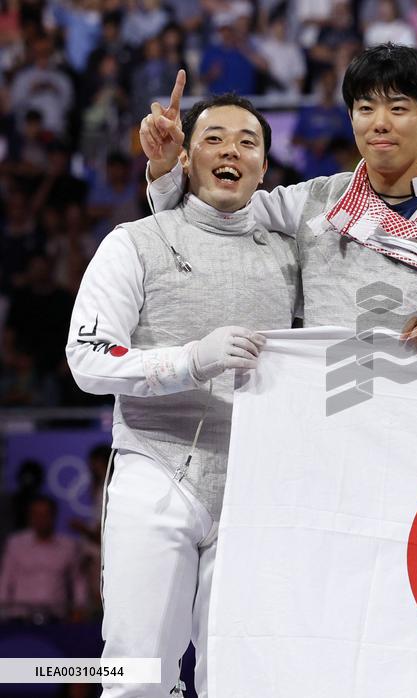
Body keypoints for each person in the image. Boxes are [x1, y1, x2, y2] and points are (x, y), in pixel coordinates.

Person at [67, 92, 299, 697]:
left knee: (238, 682)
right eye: (214, 138)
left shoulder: (292, 259)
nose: (231, 151)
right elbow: (87, 358)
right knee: (137, 677)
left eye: (248, 142)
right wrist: (190, 361)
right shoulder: (134, 242)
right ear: (186, 158)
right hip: (157, 466)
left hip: (254, 488)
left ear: (265, 168)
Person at [142, 45, 417, 345]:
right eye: (365, 108)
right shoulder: (310, 202)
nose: (379, 122)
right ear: (351, 117)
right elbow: (204, 215)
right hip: (332, 409)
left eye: (398, 108)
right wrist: (166, 163)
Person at [0, 495, 86, 621]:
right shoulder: (15, 544)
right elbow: (6, 578)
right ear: (30, 517)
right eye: (36, 514)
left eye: (45, 514)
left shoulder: (69, 546)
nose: (41, 519)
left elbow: (78, 580)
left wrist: (80, 608)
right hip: (19, 617)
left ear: (54, 516)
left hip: (57, 618)